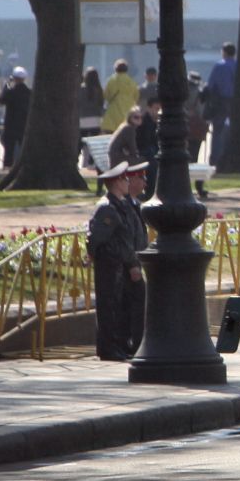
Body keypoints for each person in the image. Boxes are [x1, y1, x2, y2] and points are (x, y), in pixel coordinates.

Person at [85, 160, 147, 361]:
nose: (127, 182)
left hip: (119, 263)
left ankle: (117, 345)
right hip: (109, 263)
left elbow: (125, 238)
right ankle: (108, 348)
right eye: (124, 180)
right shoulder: (107, 208)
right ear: (116, 183)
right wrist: (93, 253)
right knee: (108, 306)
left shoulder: (119, 205)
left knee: (117, 306)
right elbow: (96, 237)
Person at [204, 43, 237, 166]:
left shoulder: (219, 66)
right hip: (235, 103)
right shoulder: (238, 65)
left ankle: (216, 159)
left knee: (218, 131)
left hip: (220, 102)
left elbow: (211, 85)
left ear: (224, 52)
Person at [0, 67, 32, 169]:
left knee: (9, 150)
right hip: (23, 125)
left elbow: (1, 100)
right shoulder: (29, 93)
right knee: (23, 149)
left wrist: (7, 85)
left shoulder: (10, 92)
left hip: (10, 124)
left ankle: (7, 167)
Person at [101, 59, 139, 129]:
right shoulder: (131, 82)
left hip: (113, 114)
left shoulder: (111, 81)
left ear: (115, 69)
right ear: (126, 69)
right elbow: (136, 97)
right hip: (128, 112)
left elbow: (106, 96)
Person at [136, 98, 161, 197]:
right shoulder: (143, 121)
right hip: (141, 151)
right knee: (153, 163)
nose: (158, 111)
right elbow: (143, 141)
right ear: (149, 108)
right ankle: (150, 192)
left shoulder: (156, 122)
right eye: (156, 108)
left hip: (150, 150)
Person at [185, 73, 208, 164]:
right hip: (198, 126)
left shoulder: (183, 92)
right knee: (195, 151)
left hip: (185, 124)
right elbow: (202, 111)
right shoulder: (201, 92)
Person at [79, 66, 104, 137]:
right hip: (96, 120)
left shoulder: (81, 89)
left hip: (82, 120)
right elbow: (101, 104)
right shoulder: (99, 90)